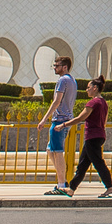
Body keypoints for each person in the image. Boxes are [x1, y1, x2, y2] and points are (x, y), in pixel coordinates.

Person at [58, 78, 112, 198]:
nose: (87, 90)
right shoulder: (103, 102)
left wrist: (63, 125)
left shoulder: (93, 103)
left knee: (98, 163)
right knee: (83, 164)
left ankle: (109, 186)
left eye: (89, 87)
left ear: (95, 88)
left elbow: (80, 118)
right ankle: (72, 189)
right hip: (99, 135)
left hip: (92, 136)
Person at [35, 55, 78, 196]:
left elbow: (56, 101)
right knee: (50, 150)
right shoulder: (72, 80)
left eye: (57, 65)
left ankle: (61, 184)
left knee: (58, 152)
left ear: (64, 67)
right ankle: (63, 180)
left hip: (59, 120)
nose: (55, 67)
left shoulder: (62, 80)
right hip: (67, 120)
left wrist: (44, 119)